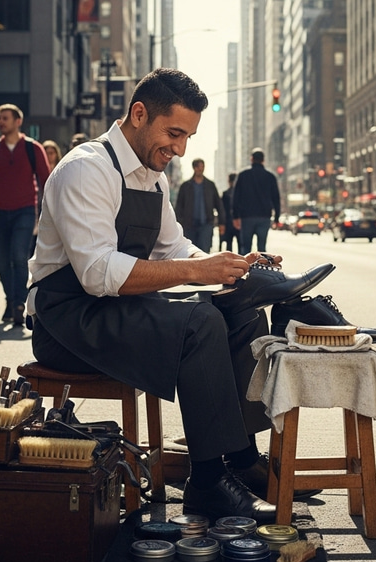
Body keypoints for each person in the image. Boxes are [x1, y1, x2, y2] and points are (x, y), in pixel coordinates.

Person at [27, 68, 334, 521]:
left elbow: (174, 248)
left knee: (237, 312)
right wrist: (196, 270)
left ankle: (242, 461)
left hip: (117, 308)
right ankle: (208, 483)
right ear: (138, 114)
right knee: (200, 322)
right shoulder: (85, 170)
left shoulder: (153, 175)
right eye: (174, 133)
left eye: (188, 137)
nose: (180, 148)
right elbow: (96, 273)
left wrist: (229, 267)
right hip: (68, 321)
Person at [0, 104, 50, 326]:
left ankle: (19, 303)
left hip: (24, 211)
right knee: (2, 262)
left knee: (18, 256)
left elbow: (47, 180)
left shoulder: (33, 148)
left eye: (4, 118)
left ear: (17, 121)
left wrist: (50, 209)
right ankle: (10, 300)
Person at [232, 148, 281, 255]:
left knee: (246, 248)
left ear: (251, 159)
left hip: (247, 216)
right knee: (262, 248)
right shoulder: (270, 176)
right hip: (264, 216)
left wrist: (235, 216)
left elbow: (236, 197)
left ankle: (245, 269)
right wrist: (277, 218)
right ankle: (260, 270)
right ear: (263, 160)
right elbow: (276, 198)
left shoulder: (243, 175)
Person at [174, 158, 224, 252]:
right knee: (189, 252)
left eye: (202, 167)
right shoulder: (186, 186)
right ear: (194, 168)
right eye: (198, 167)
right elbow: (179, 207)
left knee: (204, 251)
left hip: (206, 224)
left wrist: (222, 222)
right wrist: (180, 223)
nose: (200, 169)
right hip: (189, 225)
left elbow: (218, 204)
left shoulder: (210, 185)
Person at [220, 172, 238, 252]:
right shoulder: (241, 194)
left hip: (228, 222)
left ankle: (230, 263)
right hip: (237, 223)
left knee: (229, 245)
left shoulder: (225, 194)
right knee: (241, 245)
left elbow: (222, 209)